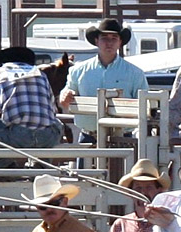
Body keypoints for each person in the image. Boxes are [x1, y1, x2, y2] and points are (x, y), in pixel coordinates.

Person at [0, 46, 63, 169]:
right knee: (56, 124)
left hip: (18, 136)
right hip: (47, 137)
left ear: (2, 62)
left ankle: (5, 166)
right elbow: (53, 110)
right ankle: (40, 166)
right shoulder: (40, 74)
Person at [59, 18, 149, 147]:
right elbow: (65, 97)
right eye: (104, 38)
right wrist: (65, 96)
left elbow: (145, 107)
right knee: (85, 168)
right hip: (88, 137)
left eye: (114, 38)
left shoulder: (135, 73)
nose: (109, 42)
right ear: (96, 41)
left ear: (120, 42)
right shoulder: (77, 71)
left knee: (123, 168)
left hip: (123, 139)